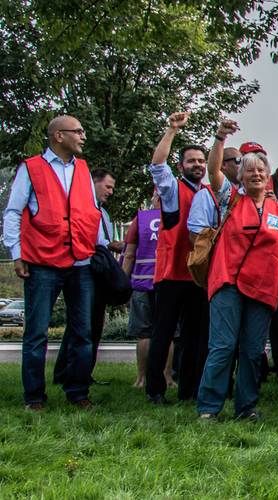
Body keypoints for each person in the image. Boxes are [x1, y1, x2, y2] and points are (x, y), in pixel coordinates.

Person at [193, 144, 278, 420]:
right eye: (249, 170)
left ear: (267, 176)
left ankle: (246, 407)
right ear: (240, 176)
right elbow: (214, 170)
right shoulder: (230, 198)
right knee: (223, 346)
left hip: (263, 286)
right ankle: (209, 408)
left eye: (261, 170)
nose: (256, 174)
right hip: (229, 282)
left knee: (253, 350)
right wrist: (219, 139)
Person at [4, 115, 101, 410]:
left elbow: (88, 211)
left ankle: (78, 392)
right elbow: (12, 212)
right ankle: (34, 397)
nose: (83, 136)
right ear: (59, 136)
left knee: (83, 332)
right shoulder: (31, 168)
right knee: (36, 333)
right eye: (78, 131)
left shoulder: (83, 169)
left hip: (80, 262)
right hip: (42, 262)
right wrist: (16, 253)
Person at [144, 111, 214, 404]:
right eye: (191, 161)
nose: (197, 165)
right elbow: (157, 165)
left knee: (195, 337)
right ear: (181, 165)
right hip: (172, 273)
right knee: (163, 334)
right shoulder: (173, 189)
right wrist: (172, 131)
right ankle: (155, 389)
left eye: (201, 161)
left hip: (198, 275)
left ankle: (190, 389)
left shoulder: (209, 193)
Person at [52, 168, 118, 387]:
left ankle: (82, 372)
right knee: (81, 326)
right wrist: (115, 245)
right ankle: (65, 373)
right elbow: (93, 240)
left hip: (99, 272)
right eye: (107, 186)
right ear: (94, 183)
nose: (110, 192)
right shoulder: (83, 207)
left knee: (93, 325)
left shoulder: (104, 213)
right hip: (85, 269)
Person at [123, 195, 168, 388]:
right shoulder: (175, 217)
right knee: (167, 333)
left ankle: (141, 377)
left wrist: (123, 283)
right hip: (166, 281)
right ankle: (167, 376)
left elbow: (129, 253)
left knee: (144, 334)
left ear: (155, 198)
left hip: (141, 282)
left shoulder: (141, 218)